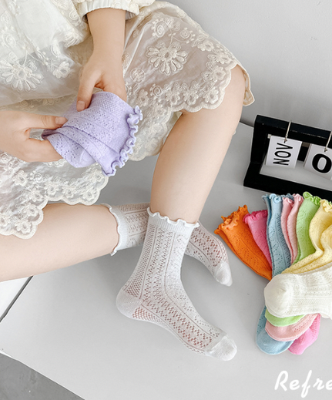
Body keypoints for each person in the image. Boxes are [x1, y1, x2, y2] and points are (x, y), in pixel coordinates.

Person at [0, 0, 254, 360]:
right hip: (12, 114)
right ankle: (165, 232)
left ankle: (160, 263)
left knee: (222, 82)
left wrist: (107, 50)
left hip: (92, 46)